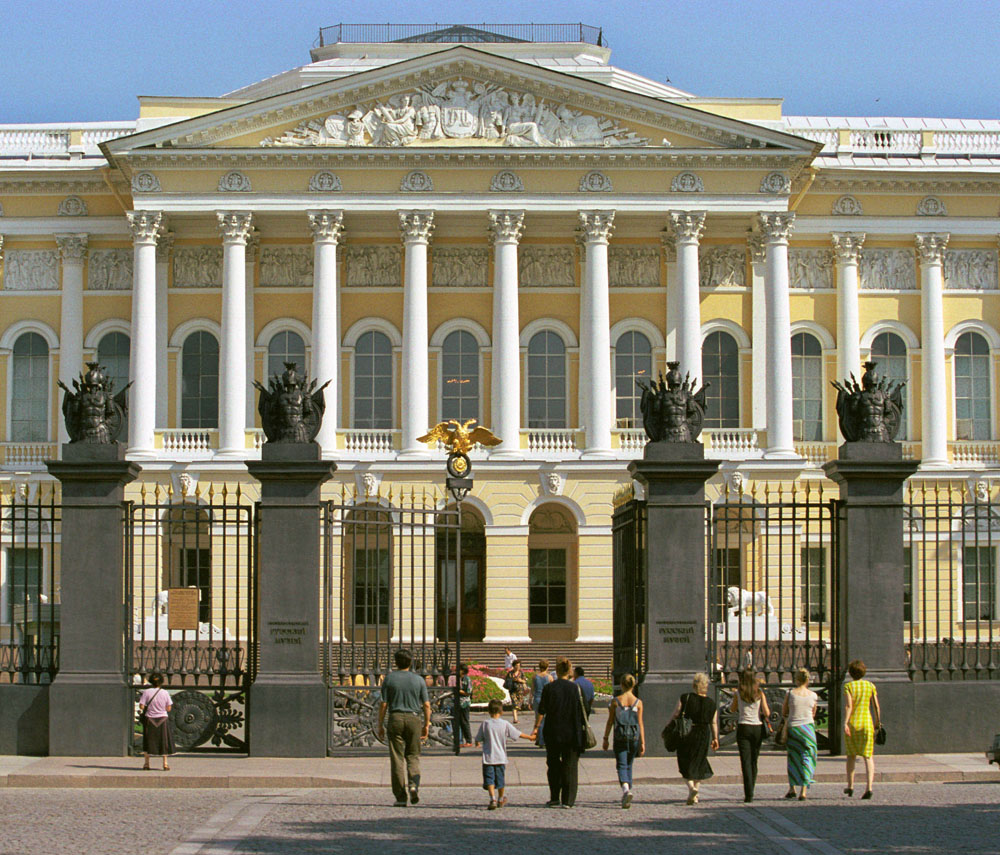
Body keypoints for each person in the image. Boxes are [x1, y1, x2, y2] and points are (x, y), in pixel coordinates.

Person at [376, 648, 431, 807]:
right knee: (413, 755)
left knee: (397, 758)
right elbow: (426, 705)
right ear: (410, 662)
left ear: (396, 662)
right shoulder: (418, 680)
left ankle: (400, 797)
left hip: (396, 717)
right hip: (414, 718)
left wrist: (380, 724)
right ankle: (413, 784)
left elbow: (383, 704)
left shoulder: (390, 679)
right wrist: (426, 724)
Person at [531, 656, 588, 808]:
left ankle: (555, 797)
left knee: (553, 765)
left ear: (556, 670)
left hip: (553, 731)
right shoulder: (576, 688)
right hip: (572, 732)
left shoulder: (550, 688)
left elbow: (542, 709)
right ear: (569, 670)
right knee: (570, 766)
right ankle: (568, 800)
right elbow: (585, 710)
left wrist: (537, 727)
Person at [665, 672, 719, 805]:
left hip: (688, 732)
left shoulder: (686, 697)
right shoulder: (711, 703)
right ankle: (695, 795)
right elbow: (713, 722)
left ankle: (691, 788)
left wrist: (668, 726)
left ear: (694, 685)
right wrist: (715, 738)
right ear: (706, 686)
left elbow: (676, 713)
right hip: (703, 734)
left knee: (684, 761)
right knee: (699, 762)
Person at [476, 698, 535, 809]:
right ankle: (500, 798)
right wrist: (530, 737)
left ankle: (492, 798)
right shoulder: (505, 724)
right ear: (501, 711)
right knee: (500, 779)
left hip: (488, 757)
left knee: (490, 779)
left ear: (489, 711)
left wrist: (476, 742)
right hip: (500, 757)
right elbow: (517, 734)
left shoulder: (485, 724)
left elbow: (479, 737)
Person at [602, 673, 645, 808]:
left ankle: (626, 789)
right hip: (633, 736)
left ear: (621, 685)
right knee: (629, 763)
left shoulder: (616, 701)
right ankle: (628, 788)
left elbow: (610, 722)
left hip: (620, 735)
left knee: (621, 764)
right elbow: (640, 723)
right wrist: (643, 742)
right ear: (633, 685)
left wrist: (605, 738)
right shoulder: (638, 702)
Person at [730, 668, 771, 803]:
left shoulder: (739, 693)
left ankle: (748, 794)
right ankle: (752, 786)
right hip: (757, 727)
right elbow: (767, 712)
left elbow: (732, 709)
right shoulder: (759, 693)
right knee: (754, 760)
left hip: (743, 727)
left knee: (745, 761)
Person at [843, 659, 881, 800]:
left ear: (851, 673)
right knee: (868, 756)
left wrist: (845, 723)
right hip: (866, 723)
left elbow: (849, 706)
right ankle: (869, 787)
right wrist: (878, 722)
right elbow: (876, 706)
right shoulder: (870, 686)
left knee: (851, 755)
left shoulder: (849, 686)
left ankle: (851, 785)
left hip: (853, 723)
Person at [782, 667, 818, 801]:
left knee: (793, 757)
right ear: (807, 679)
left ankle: (792, 788)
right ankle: (803, 789)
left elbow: (784, 711)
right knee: (808, 756)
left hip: (793, 728)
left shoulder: (790, 693)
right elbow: (813, 713)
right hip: (807, 728)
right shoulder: (813, 695)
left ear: (796, 679)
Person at [138, 672, 173, 771]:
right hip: (162, 719)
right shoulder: (165, 692)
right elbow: (169, 708)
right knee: (163, 741)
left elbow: (141, 705)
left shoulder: (146, 692)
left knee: (148, 741)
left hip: (150, 719)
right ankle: (165, 764)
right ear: (161, 682)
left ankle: (146, 763)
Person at [532, 659, 553, 748]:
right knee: (545, 720)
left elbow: (532, 690)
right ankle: (543, 739)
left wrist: (530, 700)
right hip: (547, 699)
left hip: (537, 698)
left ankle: (538, 739)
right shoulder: (549, 677)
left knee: (538, 719)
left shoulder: (535, 677)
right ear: (547, 667)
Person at [505, 659, 529, 724]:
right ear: (514, 666)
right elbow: (507, 681)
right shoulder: (510, 673)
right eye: (516, 665)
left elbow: (525, 680)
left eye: (519, 665)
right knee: (514, 704)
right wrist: (512, 680)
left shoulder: (521, 673)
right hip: (512, 690)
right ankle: (515, 719)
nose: (518, 667)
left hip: (520, 691)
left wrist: (520, 680)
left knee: (519, 704)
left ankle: (516, 716)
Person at [458, 663, 474, 748]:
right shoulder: (458, 679)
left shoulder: (467, 679)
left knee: (465, 722)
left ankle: (469, 740)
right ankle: (460, 740)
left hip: (465, 703)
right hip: (458, 703)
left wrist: (459, 691)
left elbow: (468, 692)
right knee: (459, 722)